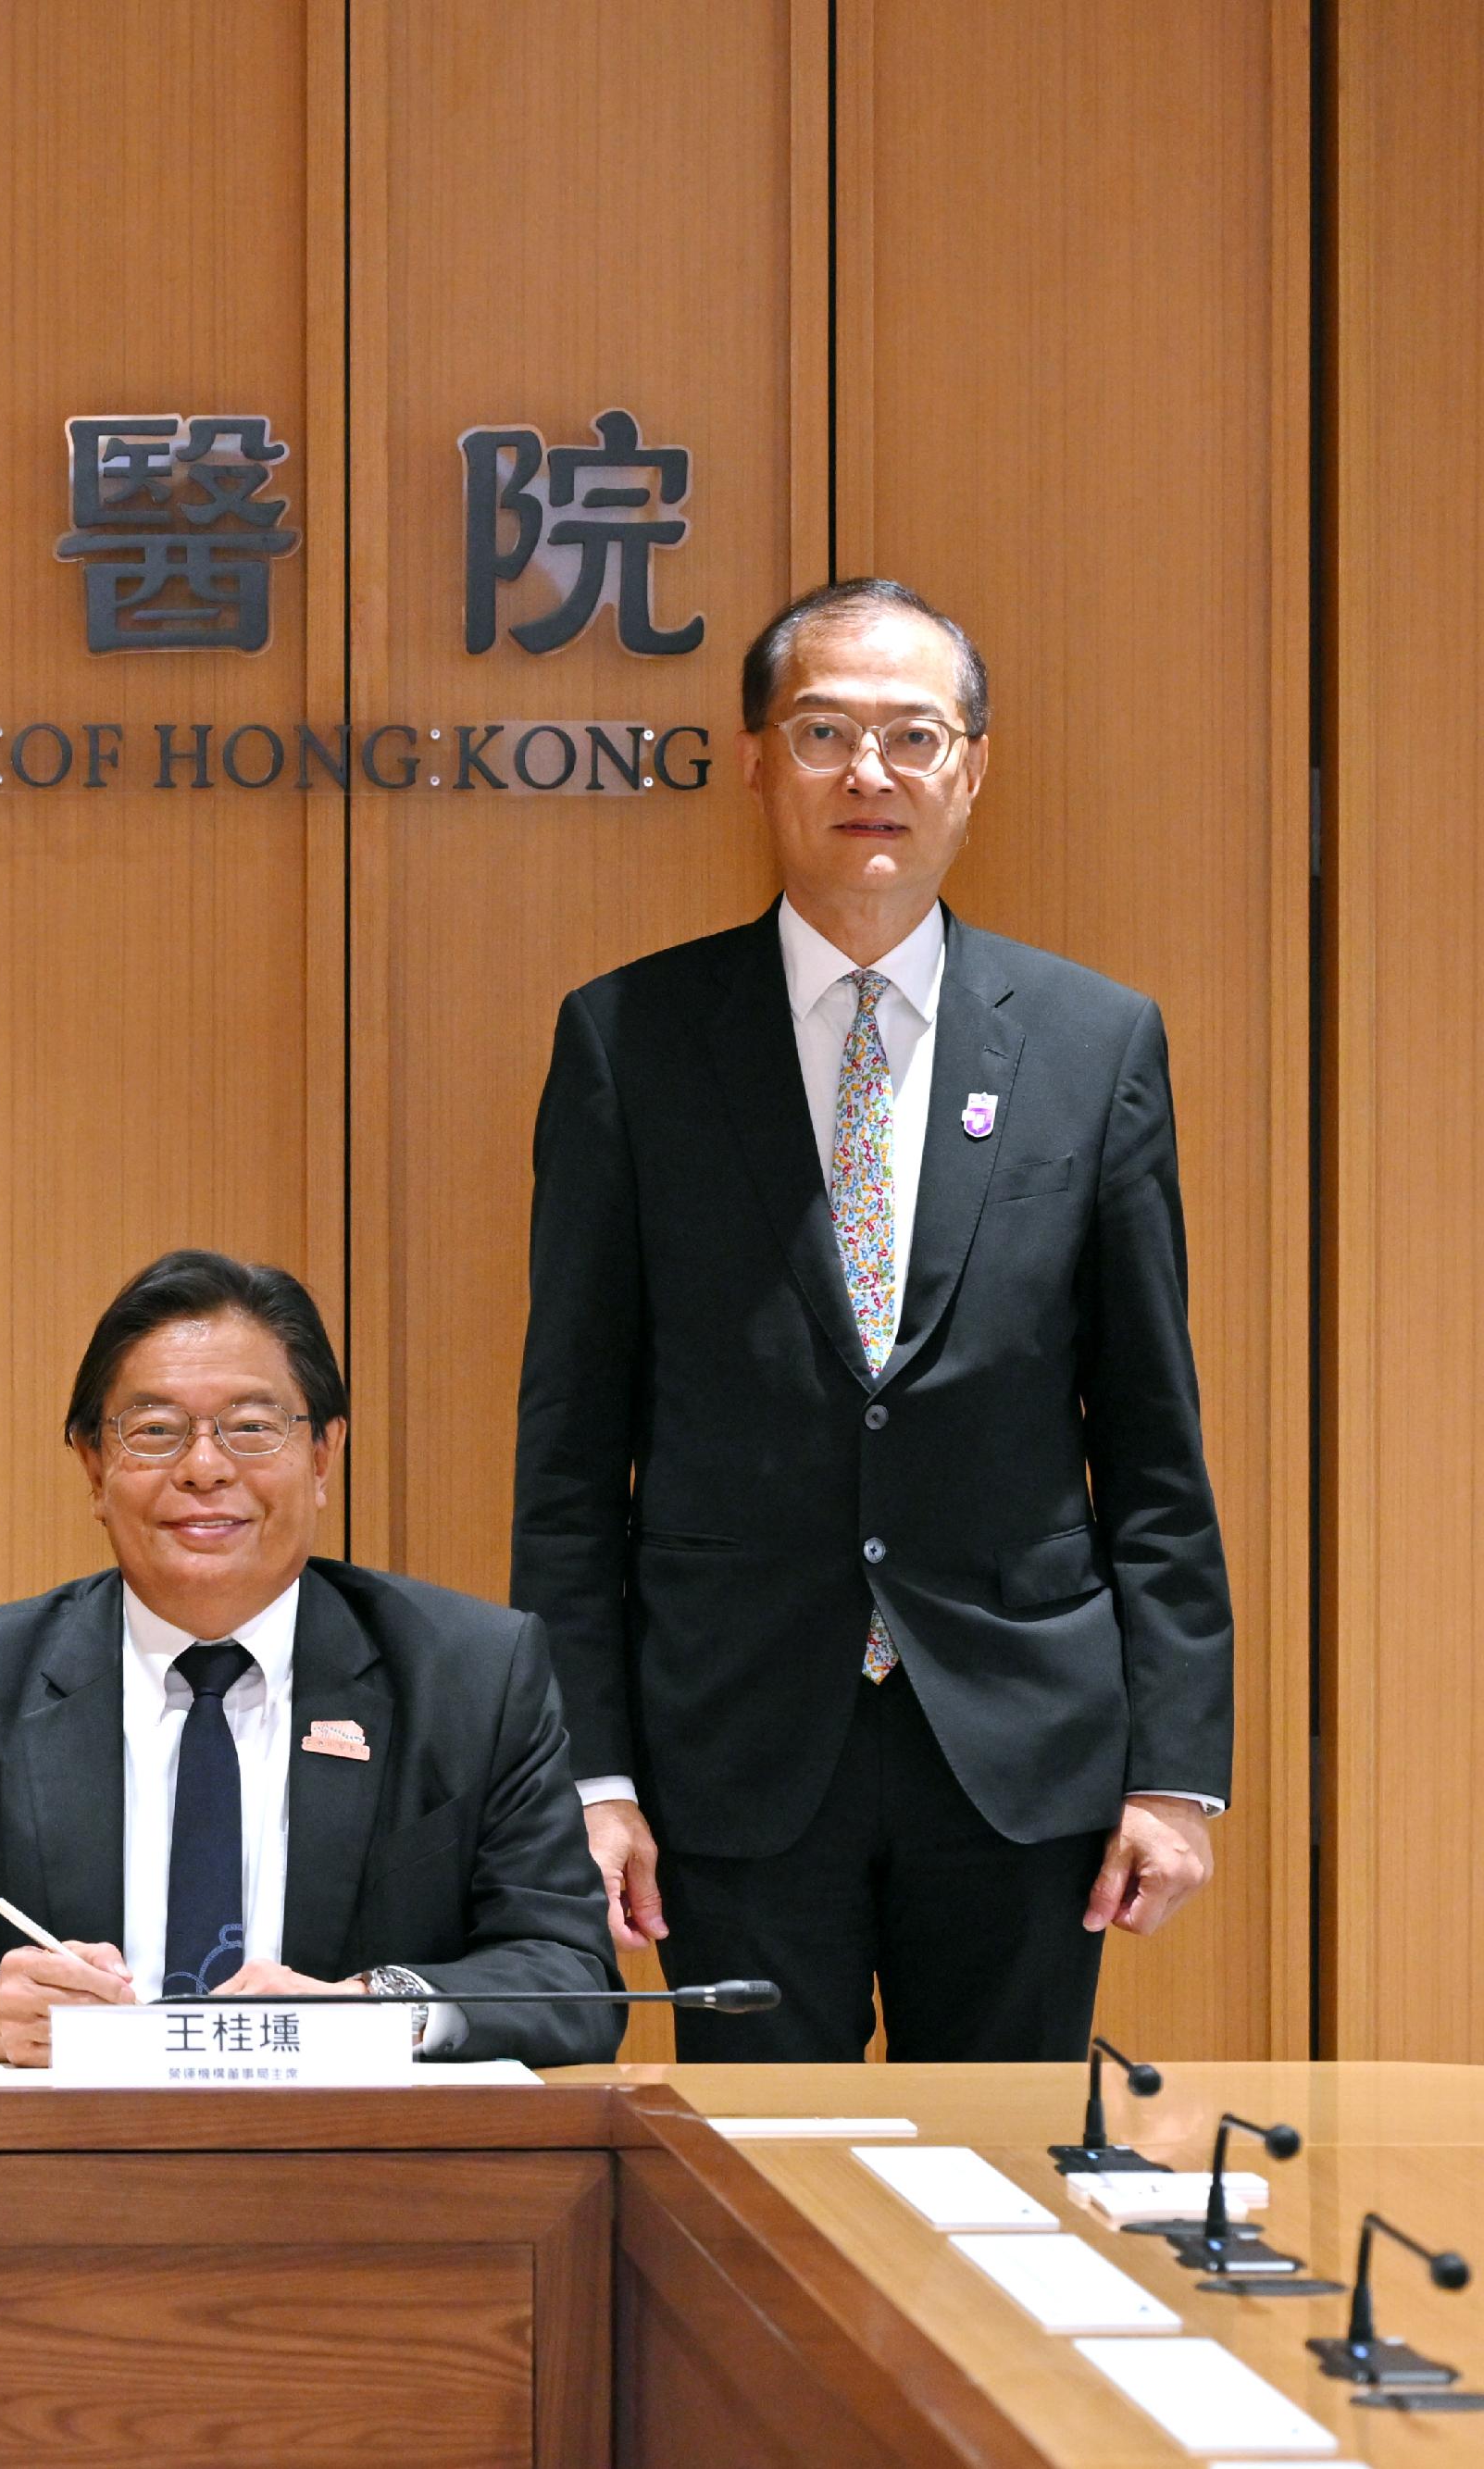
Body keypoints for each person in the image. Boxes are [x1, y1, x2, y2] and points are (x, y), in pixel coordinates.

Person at [513, 577, 1231, 2064]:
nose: (871, 772)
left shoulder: (1096, 1044)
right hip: (734, 1745)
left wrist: (1175, 1768)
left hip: (1021, 1752)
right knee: (766, 2198)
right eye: (827, 730)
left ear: (971, 767)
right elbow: (572, 1451)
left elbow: (1153, 1440)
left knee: (1018, 2194)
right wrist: (593, 1770)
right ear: (757, 758)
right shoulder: (630, 1039)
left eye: (914, 733)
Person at [0, 1251, 621, 2071]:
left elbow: (570, 1975)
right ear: (93, 1466)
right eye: (156, 1432)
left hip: (354, 2182)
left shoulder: (473, 1677)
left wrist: (379, 2008)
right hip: (54, 2184)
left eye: (253, 1428)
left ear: (323, 1455)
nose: (206, 1469)